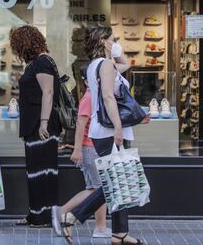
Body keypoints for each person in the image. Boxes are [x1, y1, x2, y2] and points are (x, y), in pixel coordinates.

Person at [55, 25, 145, 245]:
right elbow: (107, 97)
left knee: (119, 181)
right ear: (104, 41)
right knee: (114, 184)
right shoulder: (104, 65)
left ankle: (119, 233)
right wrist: (117, 128)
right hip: (108, 131)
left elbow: (126, 64)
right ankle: (73, 215)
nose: (117, 43)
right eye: (114, 39)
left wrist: (116, 51)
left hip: (106, 130)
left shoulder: (102, 64)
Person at [10, 25, 62, 227]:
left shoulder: (42, 62)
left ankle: (44, 216)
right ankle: (35, 214)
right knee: (35, 171)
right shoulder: (37, 63)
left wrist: (43, 123)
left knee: (44, 172)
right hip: (34, 125)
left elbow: (48, 93)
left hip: (42, 127)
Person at [52, 63, 111, 239]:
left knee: (98, 188)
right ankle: (62, 212)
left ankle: (101, 227)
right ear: (86, 81)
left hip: (95, 147)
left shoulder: (96, 95)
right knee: (98, 189)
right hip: (90, 148)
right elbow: (80, 125)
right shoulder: (89, 97)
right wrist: (77, 149)